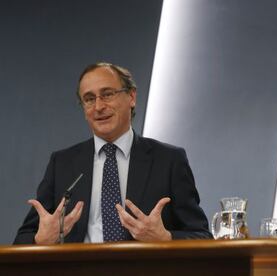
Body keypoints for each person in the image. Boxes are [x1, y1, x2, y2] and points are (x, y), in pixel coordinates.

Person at [14, 62, 212, 244]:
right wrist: (41, 240)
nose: (99, 106)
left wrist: (165, 237)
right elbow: (22, 239)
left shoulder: (168, 160)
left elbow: (202, 235)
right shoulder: (62, 163)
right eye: (89, 99)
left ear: (132, 97)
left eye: (107, 94)